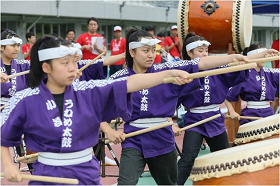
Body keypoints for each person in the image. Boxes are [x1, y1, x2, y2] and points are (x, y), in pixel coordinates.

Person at [1, 35, 193, 185]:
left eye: (74, 62)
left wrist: (166, 74)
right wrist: (9, 165)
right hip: (48, 174)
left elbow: (129, 82)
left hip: (86, 173)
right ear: (46, 67)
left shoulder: (88, 91)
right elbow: (4, 134)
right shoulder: (24, 99)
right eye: (65, 63)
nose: (73, 68)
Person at [109, 28, 253, 185]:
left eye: (152, 50)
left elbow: (201, 63)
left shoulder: (166, 69)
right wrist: (108, 130)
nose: (151, 55)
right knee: (125, 183)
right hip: (134, 137)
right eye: (145, 51)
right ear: (132, 52)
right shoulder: (119, 77)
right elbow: (98, 103)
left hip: (162, 137)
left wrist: (233, 57)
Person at [176, 33, 250, 185]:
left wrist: (241, 66)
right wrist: (171, 121)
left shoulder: (216, 68)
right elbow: (172, 97)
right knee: (188, 158)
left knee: (223, 157)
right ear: (190, 53)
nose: (204, 54)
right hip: (195, 120)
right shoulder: (182, 71)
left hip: (214, 118)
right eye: (200, 51)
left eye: (205, 50)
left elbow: (234, 73)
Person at [225, 43, 279, 124]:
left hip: (268, 114)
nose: (264, 58)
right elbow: (227, 96)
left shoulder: (270, 72)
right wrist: (232, 112)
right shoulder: (243, 74)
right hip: (250, 114)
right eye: (261, 56)